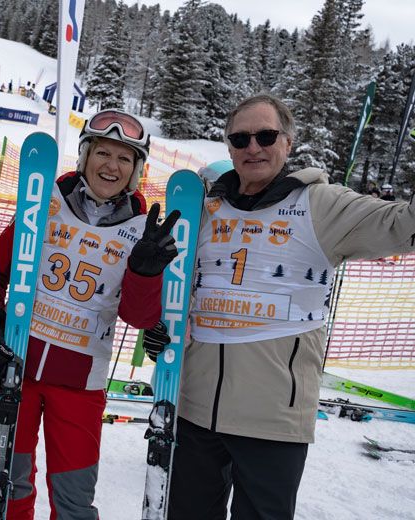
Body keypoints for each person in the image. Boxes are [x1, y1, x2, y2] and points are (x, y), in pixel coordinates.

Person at [168, 93, 415, 519]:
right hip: (196, 405)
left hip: (272, 418)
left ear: (288, 142)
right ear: (228, 147)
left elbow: (400, 225)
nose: (253, 147)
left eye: (266, 135)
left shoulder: (321, 205)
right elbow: (175, 287)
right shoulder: (207, 206)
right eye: (240, 138)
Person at [0, 109, 179, 519]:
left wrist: (144, 270)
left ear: (136, 170)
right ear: (84, 156)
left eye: (125, 158)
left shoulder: (143, 229)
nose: (111, 166)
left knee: (73, 499)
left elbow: (139, 318)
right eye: (103, 152)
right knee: (9, 483)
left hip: (82, 381)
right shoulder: (44, 203)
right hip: (17, 367)